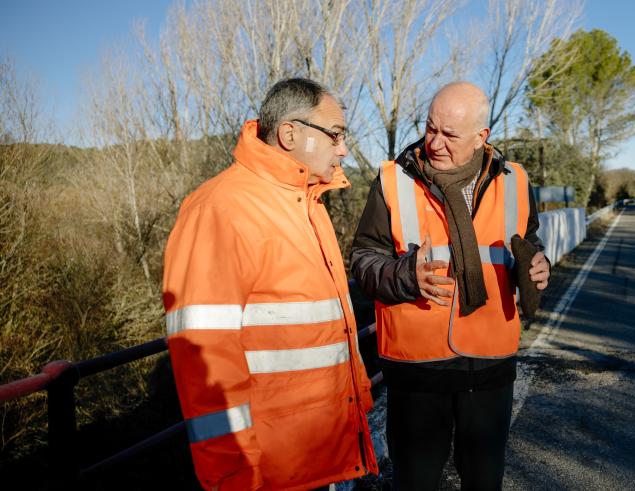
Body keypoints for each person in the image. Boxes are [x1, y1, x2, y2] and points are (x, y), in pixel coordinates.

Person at [162, 78, 378, 491]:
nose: (344, 149)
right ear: (290, 133)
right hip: (272, 474)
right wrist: (234, 478)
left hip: (329, 458)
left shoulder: (307, 204)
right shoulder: (219, 211)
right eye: (335, 135)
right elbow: (205, 363)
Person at [350, 82, 550, 490]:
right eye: (429, 128)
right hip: (416, 366)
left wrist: (540, 267)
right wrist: (405, 276)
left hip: (490, 362)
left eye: (450, 135)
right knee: (416, 482)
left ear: (482, 137)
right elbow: (363, 259)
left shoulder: (516, 181)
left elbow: (528, 245)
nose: (435, 143)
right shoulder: (393, 179)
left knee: (484, 480)